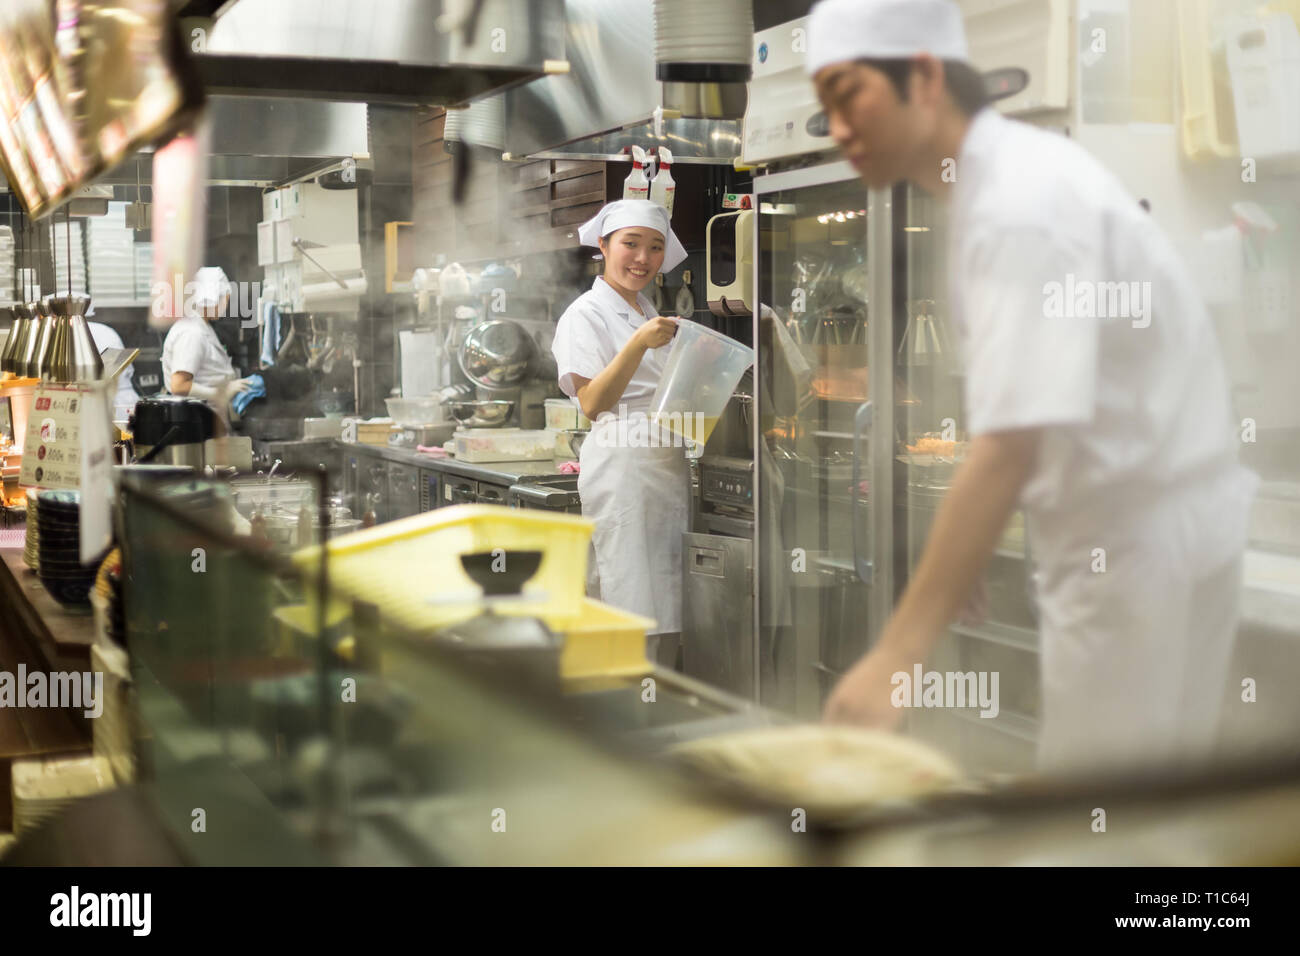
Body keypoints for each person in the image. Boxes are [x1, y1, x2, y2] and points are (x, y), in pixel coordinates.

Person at [808, 0, 1257, 771]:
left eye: (848, 94)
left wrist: (898, 654)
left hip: (1131, 551)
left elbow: (1009, 447)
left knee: (1098, 830)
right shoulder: (1012, 177)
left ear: (921, 74)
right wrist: (973, 547)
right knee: (1156, 829)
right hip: (1163, 529)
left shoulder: (1016, 206)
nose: (836, 127)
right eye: (824, 107)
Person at [551, 199, 691, 665]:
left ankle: (660, 707)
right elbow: (592, 403)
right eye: (630, 244)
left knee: (666, 595)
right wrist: (637, 342)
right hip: (623, 464)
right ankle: (631, 715)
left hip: (663, 463)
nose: (643, 258)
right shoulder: (585, 314)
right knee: (629, 593)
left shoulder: (646, 308)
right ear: (603, 245)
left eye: (655, 247)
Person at [161, 267, 253, 425]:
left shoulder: (202, 326)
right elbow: (179, 385)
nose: (226, 304)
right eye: (225, 299)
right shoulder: (192, 333)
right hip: (197, 424)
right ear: (212, 297)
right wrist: (221, 392)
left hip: (206, 420)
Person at [86, 306, 140, 422]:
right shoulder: (103, 329)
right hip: (124, 399)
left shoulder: (80, 331)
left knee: (118, 439)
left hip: (111, 401)